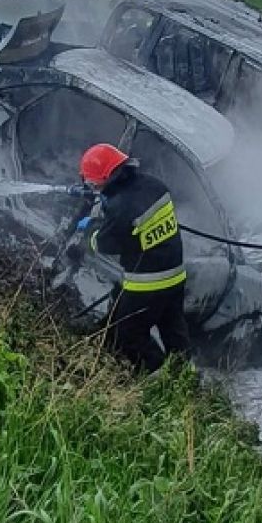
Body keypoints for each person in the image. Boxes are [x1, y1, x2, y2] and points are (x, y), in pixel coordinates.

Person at [76, 143, 190, 372]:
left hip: (147, 284)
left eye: (92, 182)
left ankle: (158, 376)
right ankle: (186, 380)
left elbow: (104, 244)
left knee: (127, 336)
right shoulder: (155, 186)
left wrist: (91, 229)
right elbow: (136, 229)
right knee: (174, 332)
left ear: (107, 176)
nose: (91, 186)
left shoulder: (121, 207)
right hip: (176, 276)